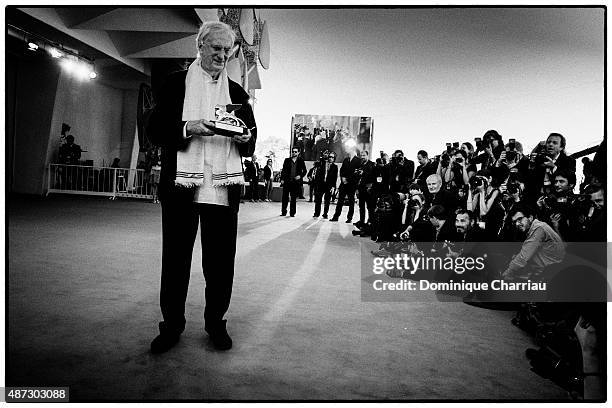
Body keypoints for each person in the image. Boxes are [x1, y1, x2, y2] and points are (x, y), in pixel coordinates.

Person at [146, 21, 256, 353]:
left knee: (220, 264)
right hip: (182, 187)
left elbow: (250, 140)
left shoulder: (237, 92)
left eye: (228, 50)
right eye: (216, 48)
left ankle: (215, 323)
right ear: (200, 46)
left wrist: (247, 138)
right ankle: (172, 326)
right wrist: (188, 126)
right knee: (176, 261)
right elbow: (154, 129)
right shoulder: (175, 84)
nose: (223, 55)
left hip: (222, 191)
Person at [501, 204, 565, 282]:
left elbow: (523, 257)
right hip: (550, 269)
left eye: (520, 219)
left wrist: (505, 275)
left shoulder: (538, 228)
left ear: (530, 218)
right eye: (514, 222)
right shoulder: (536, 226)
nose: (517, 224)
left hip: (552, 273)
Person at [330, 150, 362, 223]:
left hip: (352, 184)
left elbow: (357, 173)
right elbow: (342, 170)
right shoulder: (345, 160)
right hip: (343, 184)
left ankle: (349, 218)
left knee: (351, 202)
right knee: (340, 201)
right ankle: (336, 216)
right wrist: (342, 178)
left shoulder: (358, 161)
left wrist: (348, 180)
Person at [280, 147, 306, 217]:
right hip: (287, 182)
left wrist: (300, 176)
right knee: (285, 197)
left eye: (295, 152)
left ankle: (292, 213)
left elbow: (305, 171)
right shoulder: (287, 160)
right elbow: (283, 170)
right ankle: (283, 212)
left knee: (293, 198)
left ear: (298, 153)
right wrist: (282, 179)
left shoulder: (301, 160)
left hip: (295, 183)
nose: (294, 153)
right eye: (293, 151)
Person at [313, 151, 338, 218]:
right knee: (318, 200)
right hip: (321, 184)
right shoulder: (322, 163)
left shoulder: (335, 167)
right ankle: (316, 213)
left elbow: (335, 178)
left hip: (329, 185)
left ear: (334, 158)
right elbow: (317, 165)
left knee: (327, 201)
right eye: (329, 157)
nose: (330, 158)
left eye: (332, 157)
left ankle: (325, 214)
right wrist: (323, 157)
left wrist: (333, 187)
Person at [355, 150, 375, 227]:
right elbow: (357, 178)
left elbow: (372, 176)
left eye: (364, 155)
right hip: (361, 189)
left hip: (368, 189)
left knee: (370, 207)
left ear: (367, 156)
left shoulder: (372, 164)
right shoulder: (360, 164)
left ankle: (370, 222)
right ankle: (362, 221)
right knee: (361, 207)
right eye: (361, 155)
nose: (362, 157)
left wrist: (363, 173)